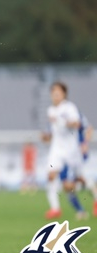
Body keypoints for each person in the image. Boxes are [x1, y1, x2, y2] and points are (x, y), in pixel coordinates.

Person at [41, 82, 84, 219]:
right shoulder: (50, 110)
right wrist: (46, 136)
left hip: (71, 150)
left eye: (57, 93)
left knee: (71, 184)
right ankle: (55, 209)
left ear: (63, 94)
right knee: (51, 175)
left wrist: (62, 121)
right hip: (57, 149)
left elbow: (77, 123)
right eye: (53, 93)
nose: (55, 95)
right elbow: (54, 131)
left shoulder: (69, 108)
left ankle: (88, 196)